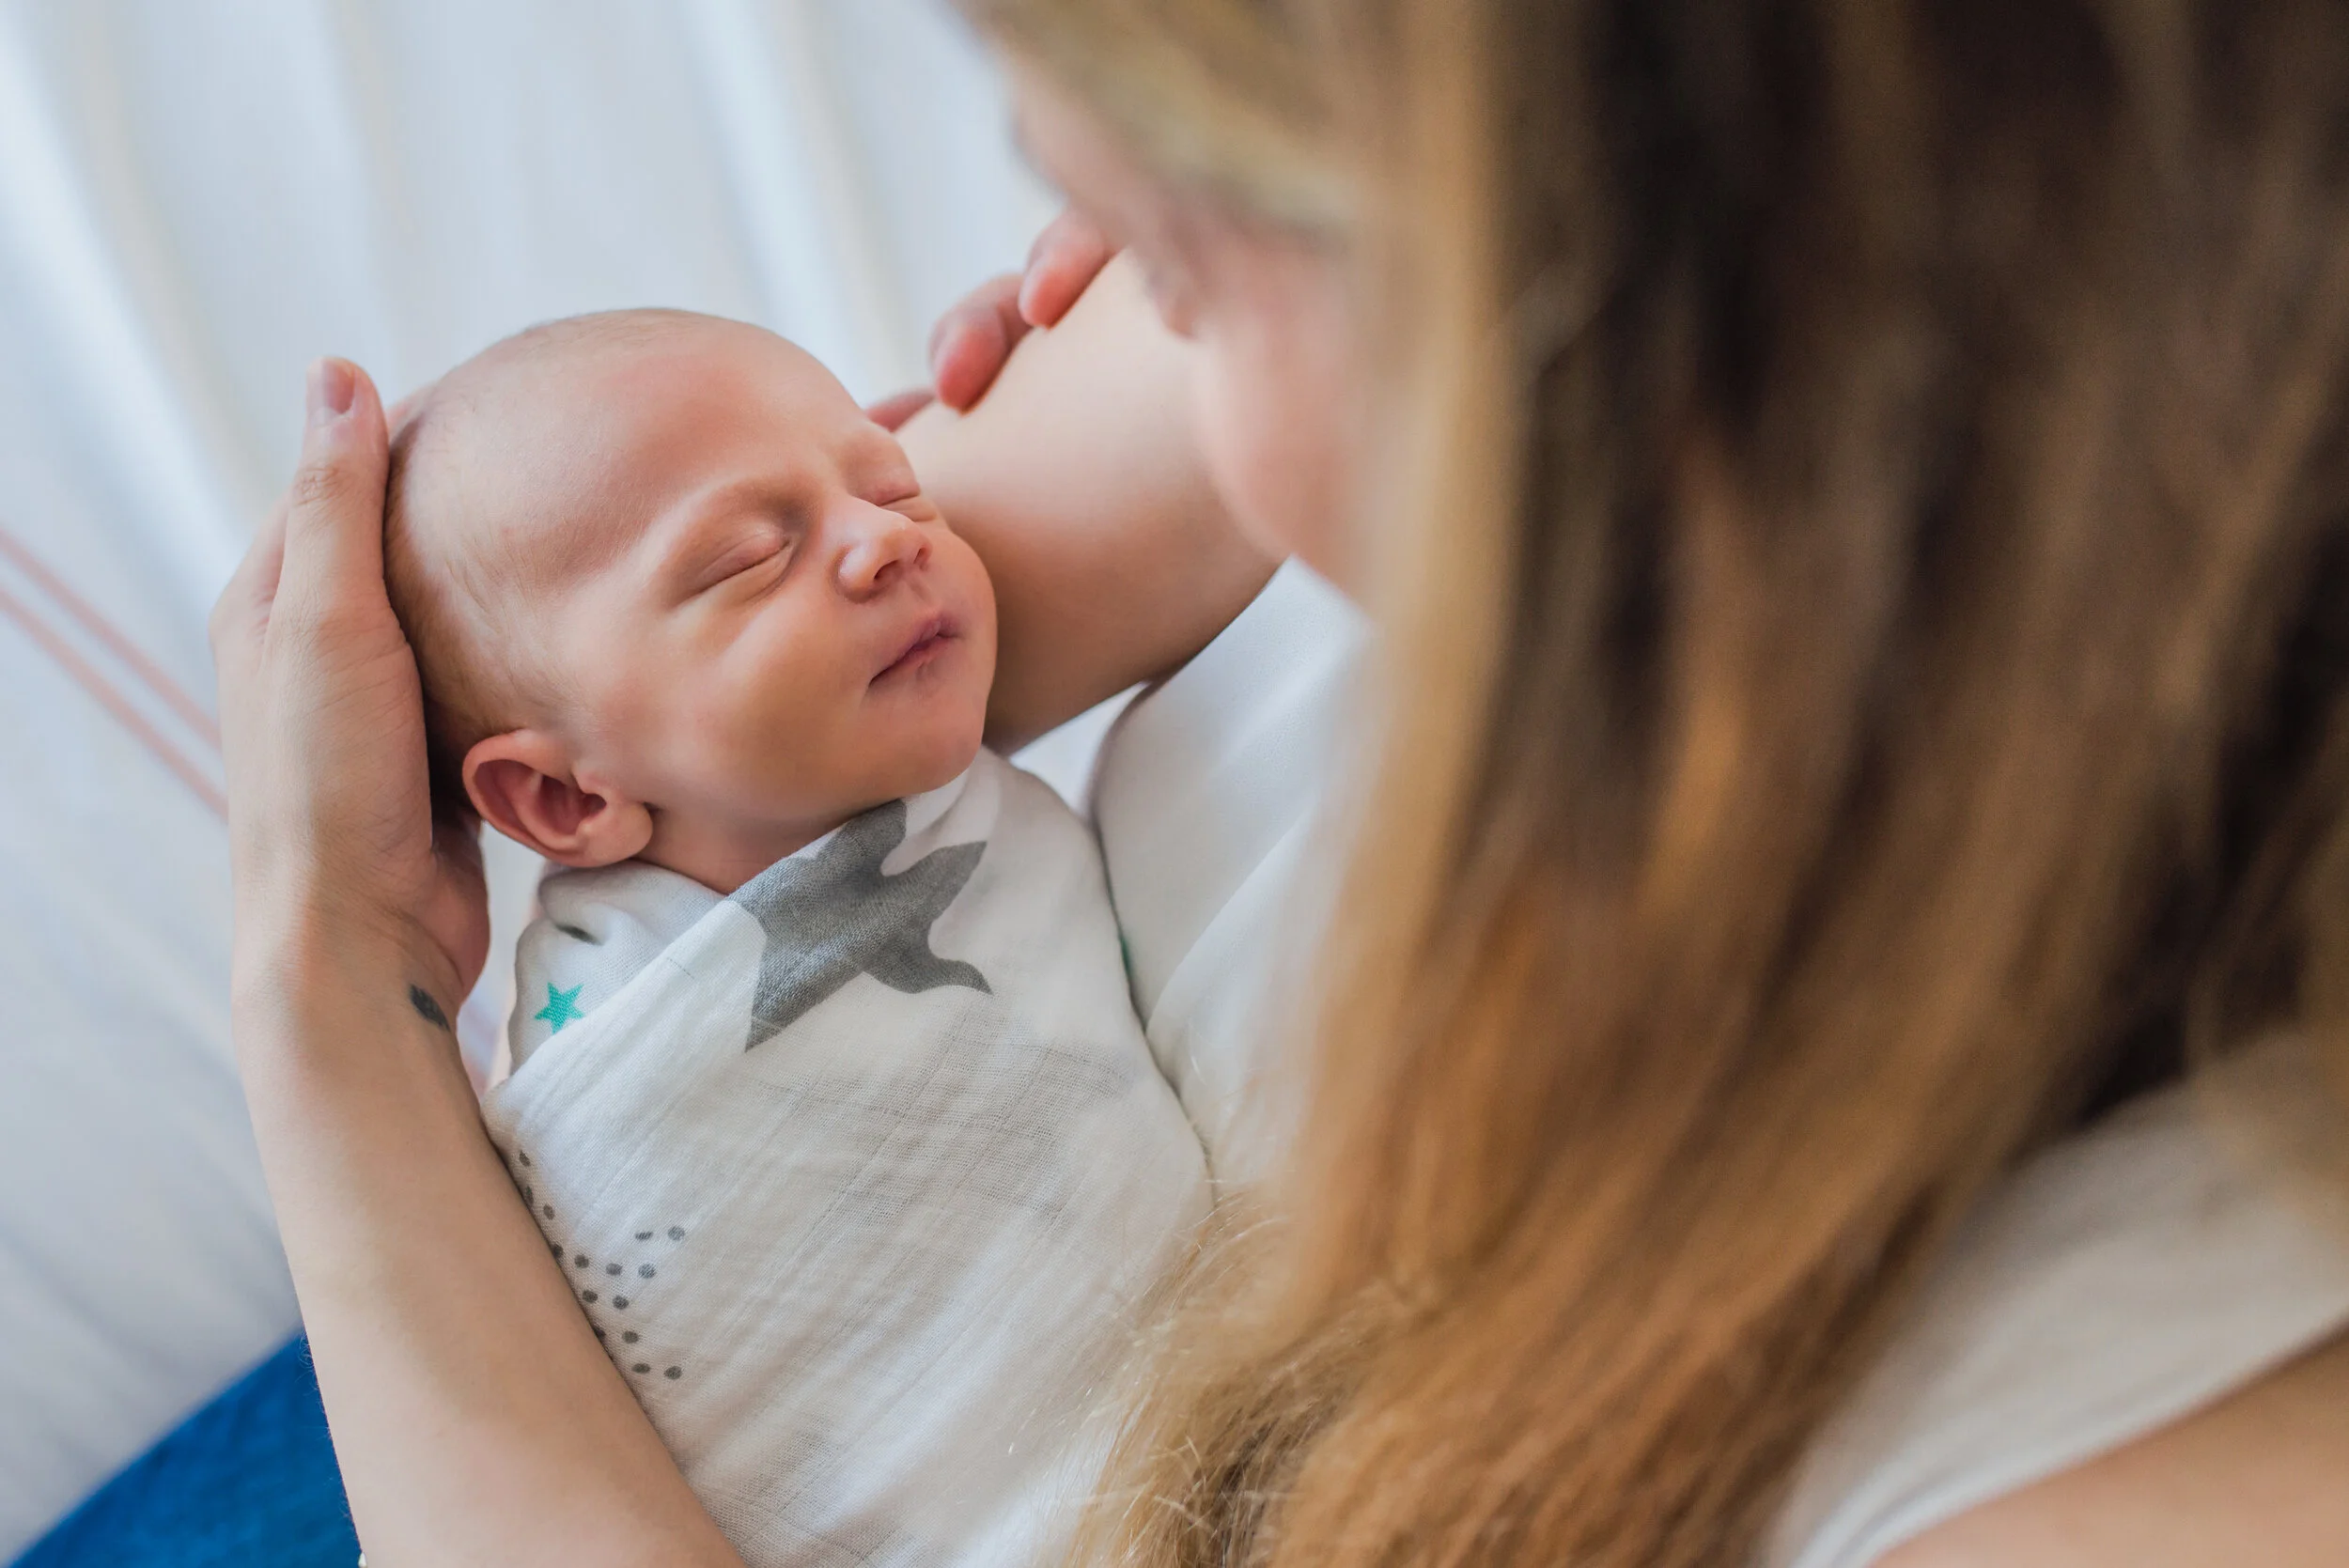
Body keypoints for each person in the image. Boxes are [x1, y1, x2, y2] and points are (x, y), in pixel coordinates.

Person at [127, 0, 2349, 1563]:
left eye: (1170, 251)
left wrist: (328, 1016)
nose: (1039, 334)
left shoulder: (2117, 1464)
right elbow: (740, 696)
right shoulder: (1465, 401)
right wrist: (340, 980)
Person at [374, 303, 1210, 1564]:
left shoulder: (952, 808)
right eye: (745, 560)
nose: (887, 541)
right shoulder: (604, 1076)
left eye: (894, 487)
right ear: (563, 799)